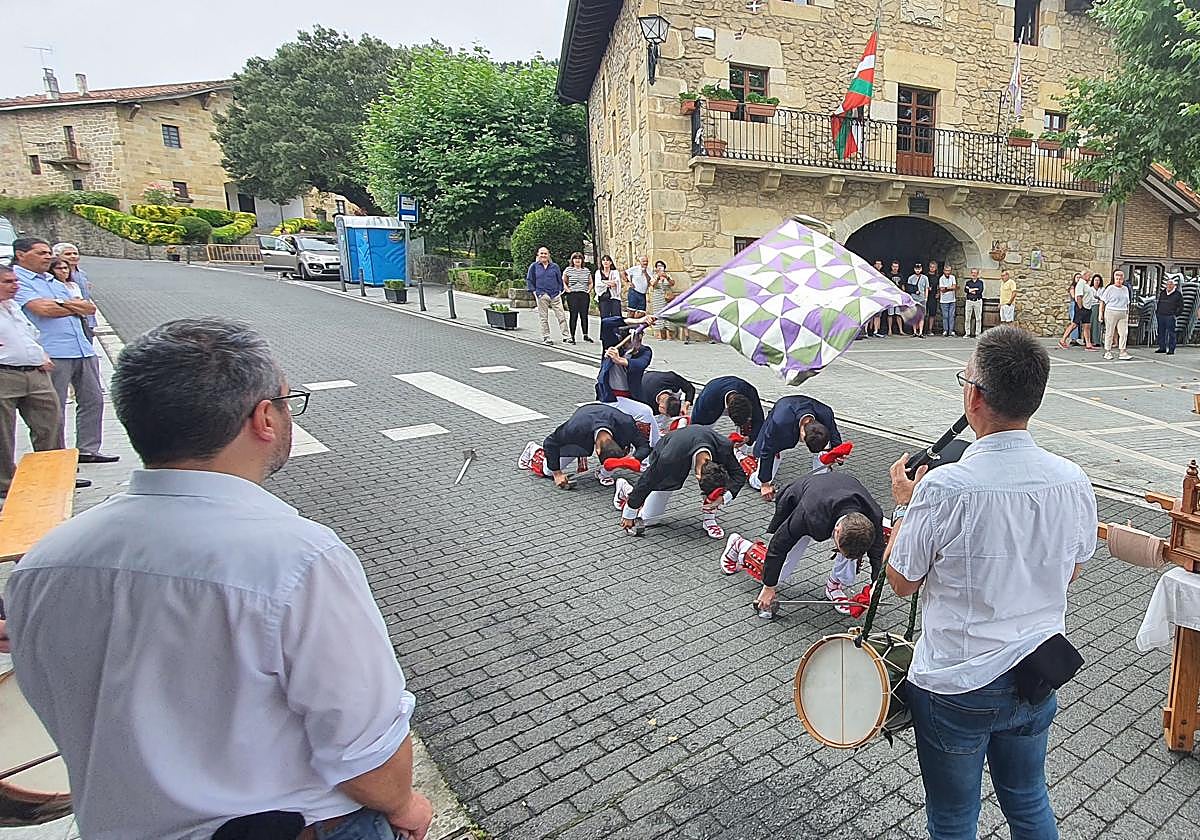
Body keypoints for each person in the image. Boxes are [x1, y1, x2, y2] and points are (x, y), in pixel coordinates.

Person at [4, 318, 434, 840]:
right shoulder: (296, 558)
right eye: (285, 399)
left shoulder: (44, 564)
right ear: (264, 419)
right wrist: (405, 805)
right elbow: (365, 750)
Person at [884, 325, 1096, 840]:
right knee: (1027, 800)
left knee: (955, 818)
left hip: (958, 683)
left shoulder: (945, 487)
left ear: (974, 396)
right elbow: (1072, 569)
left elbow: (901, 582)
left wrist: (905, 507)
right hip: (1035, 674)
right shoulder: (1073, 479)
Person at [12, 238, 117, 464]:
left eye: (49, 252)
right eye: (41, 253)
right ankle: (58, 459)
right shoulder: (18, 280)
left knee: (94, 399)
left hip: (82, 347)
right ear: (21, 254)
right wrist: (69, 306)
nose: (48, 257)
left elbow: (88, 308)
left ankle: (88, 449)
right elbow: (42, 309)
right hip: (53, 351)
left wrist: (59, 303)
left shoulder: (54, 280)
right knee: (53, 409)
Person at [725, 468, 883, 615]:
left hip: (839, 495)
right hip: (803, 499)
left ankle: (834, 586)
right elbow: (778, 546)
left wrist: (876, 584)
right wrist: (769, 587)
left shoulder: (873, 516)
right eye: (838, 547)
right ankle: (740, 546)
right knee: (778, 573)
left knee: (851, 560)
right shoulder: (808, 514)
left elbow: (877, 552)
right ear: (837, 531)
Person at [613, 423, 745, 538]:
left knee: (718, 485)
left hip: (699, 440)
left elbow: (739, 475)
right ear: (697, 477)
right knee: (649, 519)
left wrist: (723, 497)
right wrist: (630, 512)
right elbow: (647, 480)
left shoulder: (724, 447)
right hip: (671, 448)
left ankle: (709, 518)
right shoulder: (668, 458)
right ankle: (625, 488)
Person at [0, 262, 64, 497]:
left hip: (35, 372)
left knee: (50, 423)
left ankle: (53, 475)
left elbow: (30, 336)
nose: (15, 286)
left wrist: (41, 355)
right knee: (3, 433)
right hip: (5, 374)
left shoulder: (13, 307)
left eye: (16, 281)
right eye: (8, 282)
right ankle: (5, 484)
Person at [519, 402, 651, 488]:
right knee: (547, 470)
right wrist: (557, 474)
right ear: (597, 450)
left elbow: (644, 446)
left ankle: (603, 472)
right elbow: (550, 442)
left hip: (608, 417)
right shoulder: (575, 428)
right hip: (584, 427)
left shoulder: (626, 424)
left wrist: (633, 460)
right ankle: (533, 450)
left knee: (618, 460)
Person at [750, 394, 841, 500]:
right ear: (802, 432)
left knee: (825, 451)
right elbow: (767, 449)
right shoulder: (779, 422)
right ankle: (745, 464)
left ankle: (818, 483)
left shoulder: (825, 413)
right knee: (759, 483)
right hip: (784, 415)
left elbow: (834, 436)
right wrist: (765, 484)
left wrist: (837, 454)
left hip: (804, 410)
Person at [596, 316, 659, 447]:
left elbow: (640, 364)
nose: (639, 341)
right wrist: (638, 321)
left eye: (641, 337)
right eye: (637, 337)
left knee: (646, 413)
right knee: (644, 413)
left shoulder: (644, 351)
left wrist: (619, 360)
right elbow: (606, 323)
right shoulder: (612, 345)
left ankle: (651, 449)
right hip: (610, 398)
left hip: (630, 399)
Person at [690, 375, 765, 444]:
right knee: (701, 436)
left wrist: (749, 438)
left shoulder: (750, 392)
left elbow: (759, 420)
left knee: (748, 431)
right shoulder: (707, 400)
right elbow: (696, 427)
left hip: (735, 389)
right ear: (728, 412)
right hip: (713, 399)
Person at [525, 246, 570, 346]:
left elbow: (560, 280)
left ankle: (566, 336)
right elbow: (529, 280)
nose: (543, 255)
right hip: (541, 295)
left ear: (549, 255)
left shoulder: (555, 267)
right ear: (538, 255)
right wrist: (534, 292)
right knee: (543, 317)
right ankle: (546, 337)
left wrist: (560, 290)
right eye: (541, 253)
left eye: (545, 253)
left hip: (555, 294)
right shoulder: (534, 266)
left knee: (561, 316)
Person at [1099, 269, 1132, 361]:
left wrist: (1127, 313)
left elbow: (1127, 302)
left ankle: (1122, 351)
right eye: (1117, 278)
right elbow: (1102, 301)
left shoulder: (1125, 289)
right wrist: (1100, 314)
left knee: (1124, 333)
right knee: (1110, 332)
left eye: (1120, 278)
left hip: (1123, 312)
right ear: (1114, 279)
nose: (1119, 280)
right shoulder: (1110, 288)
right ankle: (1107, 351)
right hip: (1111, 311)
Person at [1058, 271, 1097, 351]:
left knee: (1087, 326)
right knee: (1074, 324)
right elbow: (1079, 296)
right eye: (1089, 275)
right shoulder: (1081, 284)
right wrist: (1080, 307)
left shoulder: (1085, 284)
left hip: (1087, 308)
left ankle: (1088, 344)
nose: (1090, 277)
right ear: (1085, 275)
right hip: (1082, 308)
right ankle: (1062, 340)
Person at [561, 252, 593, 345]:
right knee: (573, 315)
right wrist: (567, 290)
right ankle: (572, 336)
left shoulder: (586, 270)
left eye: (579, 258)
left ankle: (585, 334)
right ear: (572, 260)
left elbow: (590, 282)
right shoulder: (568, 270)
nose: (577, 260)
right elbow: (563, 281)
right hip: (573, 295)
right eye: (575, 258)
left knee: (584, 315)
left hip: (583, 294)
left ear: (582, 260)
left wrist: (588, 290)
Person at [648, 260, 676, 339]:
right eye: (658, 266)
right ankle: (660, 335)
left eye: (661, 266)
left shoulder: (668, 275)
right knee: (658, 314)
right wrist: (658, 277)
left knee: (668, 314)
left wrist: (666, 277)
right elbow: (653, 285)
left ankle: (669, 335)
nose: (660, 267)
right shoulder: (654, 275)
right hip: (658, 297)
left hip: (667, 297)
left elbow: (672, 283)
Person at [1156, 276, 1184, 355]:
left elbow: (1181, 306)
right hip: (1161, 315)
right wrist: (1157, 312)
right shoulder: (1163, 293)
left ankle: (1171, 349)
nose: (1168, 286)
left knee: (1171, 333)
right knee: (1161, 332)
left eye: (1170, 284)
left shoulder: (1178, 294)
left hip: (1170, 316)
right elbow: (1159, 303)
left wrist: (1175, 314)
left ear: (1174, 286)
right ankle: (1162, 348)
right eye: (1167, 284)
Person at [594, 255, 624, 321]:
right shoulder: (598, 273)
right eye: (604, 260)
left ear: (610, 262)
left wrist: (604, 282)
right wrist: (608, 283)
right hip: (603, 297)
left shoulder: (615, 272)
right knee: (605, 318)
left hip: (614, 297)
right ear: (601, 262)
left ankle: (616, 331)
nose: (605, 262)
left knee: (616, 317)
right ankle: (605, 331)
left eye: (607, 260)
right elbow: (598, 285)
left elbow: (615, 283)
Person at [908, 262, 928, 338]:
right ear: (914, 269)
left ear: (921, 269)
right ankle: (914, 332)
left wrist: (926, 298)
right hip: (914, 299)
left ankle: (920, 332)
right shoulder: (911, 278)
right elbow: (909, 288)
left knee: (921, 316)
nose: (917, 270)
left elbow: (926, 288)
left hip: (922, 298)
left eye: (919, 269)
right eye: (916, 269)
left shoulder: (925, 278)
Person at [963, 268, 984, 338]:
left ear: (977, 274)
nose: (973, 274)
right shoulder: (968, 282)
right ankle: (967, 333)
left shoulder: (980, 282)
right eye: (972, 272)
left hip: (977, 301)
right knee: (967, 318)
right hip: (969, 301)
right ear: (971, 273)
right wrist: (974, 289)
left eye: (975, 273)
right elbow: (965, 290)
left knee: (978, 318)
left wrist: (970, 290)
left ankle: (978, 333)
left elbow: (980, 291)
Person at [888, 259, 907, 336]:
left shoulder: (900, 275)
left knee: (898, 314)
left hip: (899, 296)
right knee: (890, 314)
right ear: (891, 267)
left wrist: (903, 294)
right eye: (894, 266)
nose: (895, 268)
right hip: (891, 296)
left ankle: (901, 330)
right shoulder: (888, 275)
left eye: (896, 267)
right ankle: (889, 330)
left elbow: (903, 286)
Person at [938, 263, 957, 337]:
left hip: (952, 300)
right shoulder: (941, 278)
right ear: (944, 271)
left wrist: (946, 288)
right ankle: (945, 330)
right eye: (946, 271)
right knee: (945, 316)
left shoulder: (952, 277)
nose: (948, 272)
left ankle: (951, 331)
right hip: (944, 300)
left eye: (949, 271)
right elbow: (942, 290)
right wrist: (949, 288)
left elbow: (954, 287)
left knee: (951, 316)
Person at [1088, 274, 1104, 341]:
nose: (1097, 282)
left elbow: (1103, 298)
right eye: (1095, 280)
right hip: (1092, 307)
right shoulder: (1090, 289)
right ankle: (1091, 339)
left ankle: (1097, 340)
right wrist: (1098, 299)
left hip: (1100, 306)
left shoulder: (1102, 289)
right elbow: (1091, 298)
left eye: (1098, 280)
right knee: (1092, 323)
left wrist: (1098, 299)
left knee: (1098, 324)